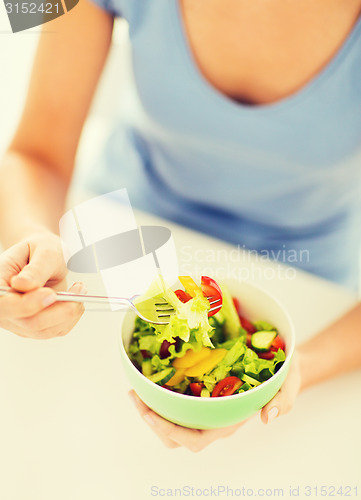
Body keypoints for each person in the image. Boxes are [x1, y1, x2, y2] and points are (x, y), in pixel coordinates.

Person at [0, 0, 361, 452]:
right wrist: (29, 239)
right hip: (121, 236)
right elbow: (35, 154)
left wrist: (300, 366)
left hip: (312, 284)